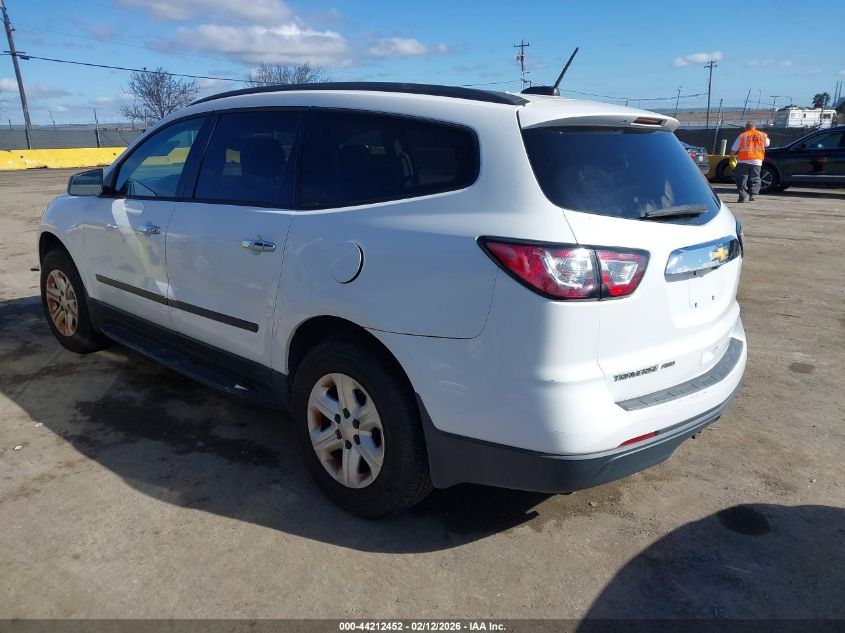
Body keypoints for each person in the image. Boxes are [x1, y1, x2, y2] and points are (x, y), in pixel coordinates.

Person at [730, 122, 770, 203]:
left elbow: (734, 149)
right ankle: (753, 194)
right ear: (755, 127)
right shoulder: (762, 135)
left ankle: (742, 196)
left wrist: (732, 157)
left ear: (746, 128)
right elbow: (767, 144)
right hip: (756, 161)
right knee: (755, 177)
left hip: (743, 161)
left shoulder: (742, 135)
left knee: (742, 179)